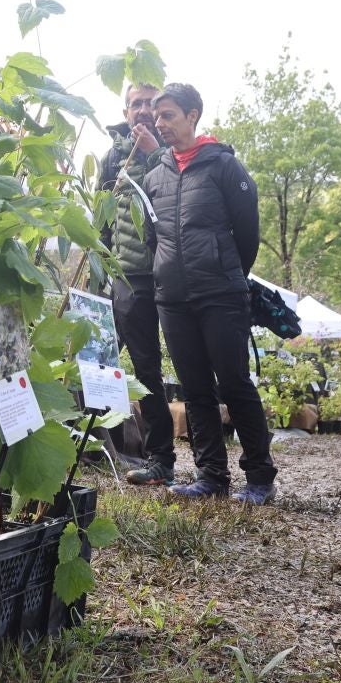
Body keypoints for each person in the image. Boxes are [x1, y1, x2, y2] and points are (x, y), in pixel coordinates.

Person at [142, 83, 277, 504]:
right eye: (157, 116)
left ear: (193, 115)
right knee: (193, 387)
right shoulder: (153, 176)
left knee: (234, 383)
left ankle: (260, 477)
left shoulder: (225, 167)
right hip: (172, 299)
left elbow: (248, 236)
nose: (159, 123)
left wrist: (224, 271)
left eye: (168, 115)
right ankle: (211, 476)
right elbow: (153, 238)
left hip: (220, 293)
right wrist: (168, 278)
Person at [100, 84, 177, 486]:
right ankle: (106, 449)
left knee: (154, 368)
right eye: (137, 104)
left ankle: (162, 456)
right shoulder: (112, 155)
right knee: (106, 362)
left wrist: (151, 151)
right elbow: (100, 217)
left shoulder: (170, 147)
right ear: (125, 110)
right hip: (126, 275)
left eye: (151, 104)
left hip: (166, 274)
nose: (144, 111)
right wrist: (99, 272)